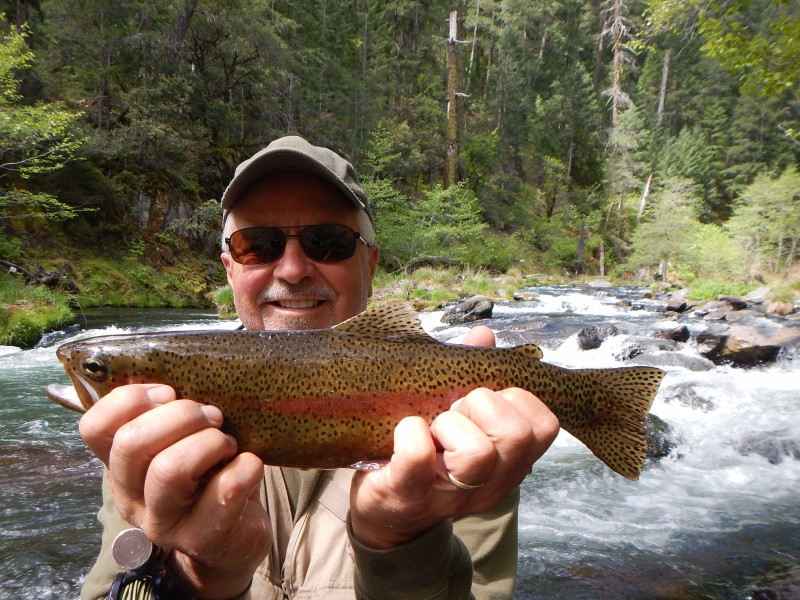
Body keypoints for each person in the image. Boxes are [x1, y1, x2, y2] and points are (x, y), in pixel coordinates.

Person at [79, 135, 560, 600]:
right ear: (230, 269)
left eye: (327, 242)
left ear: (370, 265)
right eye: (258, 244)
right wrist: (193, 576)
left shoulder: (471, 433)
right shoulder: (153, 431)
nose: (292, 270)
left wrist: (401, 540)